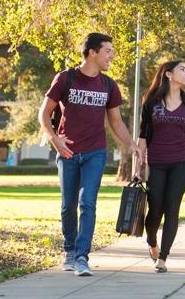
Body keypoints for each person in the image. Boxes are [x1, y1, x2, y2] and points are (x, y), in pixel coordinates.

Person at [39, 33, 142, 277]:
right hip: (67, 152)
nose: (111, 55)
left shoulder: (108, 85)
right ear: (93, 52)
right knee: (68, 206)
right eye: (108, 51)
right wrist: (55, 139)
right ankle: (70, 250)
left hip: (96, 152)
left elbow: (116, 123)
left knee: (88, 203)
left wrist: (132, 144)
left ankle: (82, 257)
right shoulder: (66, 78)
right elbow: (44, 114)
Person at [138, 60, 185, 273]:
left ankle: (163, 258)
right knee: (155, 210)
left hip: (181, 162)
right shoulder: (151, 102)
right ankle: (152, 242)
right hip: (156, 162)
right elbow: (143, 136)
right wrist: (139, 163)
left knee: (172, 209)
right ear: (169, 74)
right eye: (183, 69)